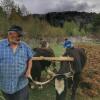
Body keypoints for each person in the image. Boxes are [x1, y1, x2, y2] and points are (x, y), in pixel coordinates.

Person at [0, 25, 34, 100]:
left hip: (21, 84)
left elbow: (30, 58)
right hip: (4, 84)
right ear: (10, 34)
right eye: (17, 35)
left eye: (20, 36)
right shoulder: (0, 45)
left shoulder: (25, 46)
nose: (19, 38)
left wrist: (28, 71)